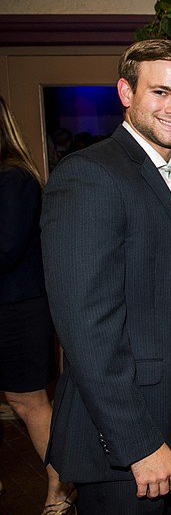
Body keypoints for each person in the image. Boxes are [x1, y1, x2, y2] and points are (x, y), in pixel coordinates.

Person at [40, 39, 171, 514]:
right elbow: (86, 327)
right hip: (123, 443)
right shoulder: (90, 175)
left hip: (169, 422)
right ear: (125, 92)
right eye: (160, 92)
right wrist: (137, 443)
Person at [0, 96, 75, 513]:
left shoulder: (15, 180)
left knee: (28, 403)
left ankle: (59, 487)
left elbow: (6, 250)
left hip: (18, 310)